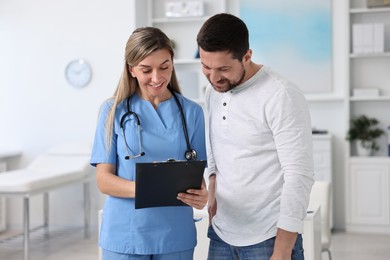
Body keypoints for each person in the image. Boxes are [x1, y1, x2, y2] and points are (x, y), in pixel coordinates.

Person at [197, 13, 315, 260]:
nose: (214, 77)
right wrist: (213, 180)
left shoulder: (280, 95)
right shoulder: (212, 91)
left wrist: (282, 251)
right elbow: (215, 145)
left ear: (247, 56)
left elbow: (299, 176)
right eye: (206, 67)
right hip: (222, 234)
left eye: (224, 68)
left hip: (269, 239)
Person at [90, 27, 208, 260]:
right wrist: (151, 189)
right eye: (146, 70)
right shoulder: (112, 111)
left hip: (175, 234)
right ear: (131, 69)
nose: (157, 78)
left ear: (172, 64)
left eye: (164, 67)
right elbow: (104, 181)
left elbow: (196, 173)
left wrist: (202, 195)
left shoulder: (192, 113)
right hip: (125, 232)